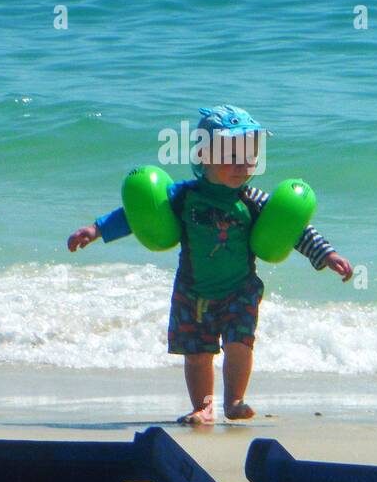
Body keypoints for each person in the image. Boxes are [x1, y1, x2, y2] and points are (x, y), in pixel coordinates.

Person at [68, 105, 353, 426]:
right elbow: (137, 215)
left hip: (240, 289)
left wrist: (327, 255)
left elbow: (295, 230)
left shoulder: (252, 199)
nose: (242, 166)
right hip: (193, 291)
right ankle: (203, 406)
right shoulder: (183, 196)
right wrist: (97, 229)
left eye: (249, 158)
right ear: (203, 156)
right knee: (197, 354)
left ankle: (234, 400)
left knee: (239, 344)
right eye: (231, 158)